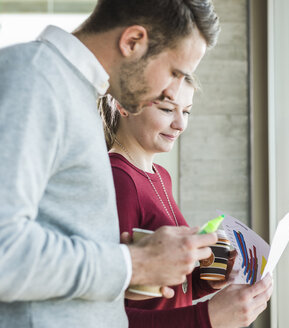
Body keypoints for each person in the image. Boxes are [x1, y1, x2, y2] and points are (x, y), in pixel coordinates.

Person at [0, 1, 221, 327]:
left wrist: (145, 269)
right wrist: (136, 263)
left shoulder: (76, 93)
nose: (169, 90)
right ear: (133, 42)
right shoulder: (34, 78)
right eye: (174, 72)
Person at [100, 76, 273, 328]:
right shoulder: (118, 180)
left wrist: (204, 281)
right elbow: (102, 314)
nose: (180, 124)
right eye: (167, 109)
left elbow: (151, 294)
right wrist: (207, 317)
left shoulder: (161, 176)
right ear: (124, 105)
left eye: (187, 111)